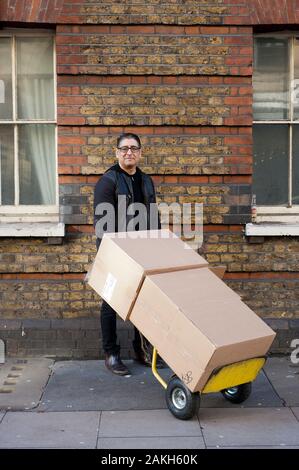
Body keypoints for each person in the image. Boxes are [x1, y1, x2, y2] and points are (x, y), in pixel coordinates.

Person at [94, 132, 161, 376]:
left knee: (143, 301)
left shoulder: (146, 181)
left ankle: (141, 350)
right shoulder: (107, 181)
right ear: (117, 153)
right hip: (117, 254)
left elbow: (153, 217)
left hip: (143, 250)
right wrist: (109, 259)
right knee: (111, 303)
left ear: (140, 152)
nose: (129, 152)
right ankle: (111, 353)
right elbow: (103, 225)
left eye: (133, 148)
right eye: (124, 149)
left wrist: (158, 246)